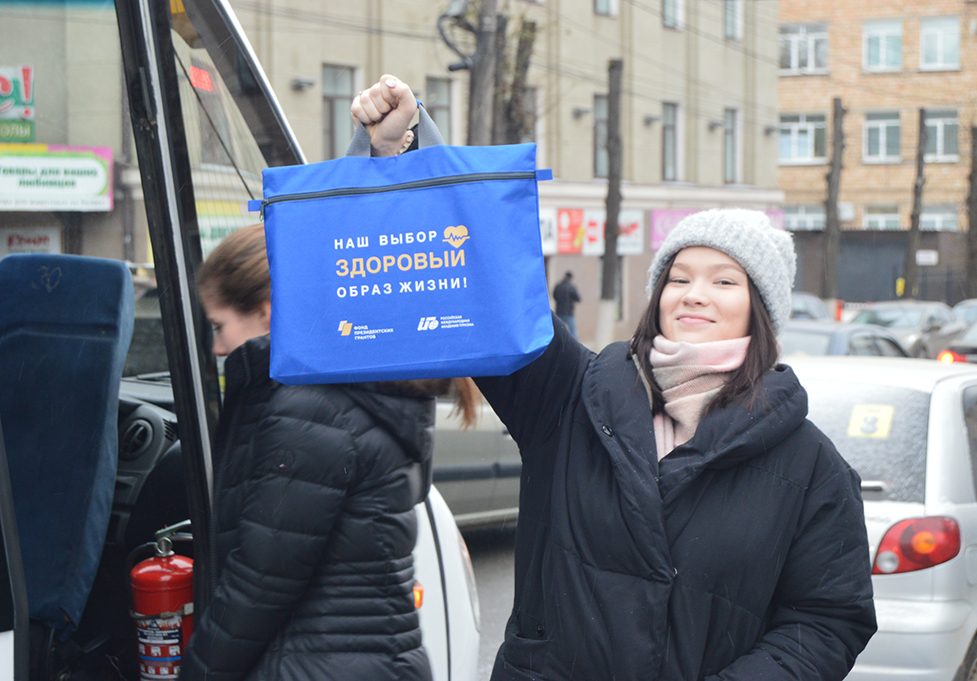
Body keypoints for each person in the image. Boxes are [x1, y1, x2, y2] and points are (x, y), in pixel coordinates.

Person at [358, 74, 876, 681]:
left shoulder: (810, 465)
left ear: (758, 311)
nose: (694, 294)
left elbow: (827, 620)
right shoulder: (574, 396)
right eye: (679, 278)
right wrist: (403, 151)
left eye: (724, 281)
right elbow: (490, 288)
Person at [179, 223, 479, 681]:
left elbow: (259, 584)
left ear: (266, 313)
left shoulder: (310, 409)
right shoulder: (353, 388)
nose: (217, 347)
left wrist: (197, 672)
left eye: (219, 327)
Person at [551, 271, 581, 338]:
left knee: (557, 332)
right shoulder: (572, 287)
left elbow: (554, 296)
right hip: (569, 313)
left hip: (559, 312)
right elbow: (578, 299)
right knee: (573, 332)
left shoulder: (558, 286)